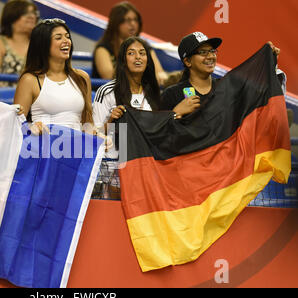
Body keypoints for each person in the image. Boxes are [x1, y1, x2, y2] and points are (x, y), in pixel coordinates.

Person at [93, 37, 198, 199]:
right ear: (122, 60)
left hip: (147, 172)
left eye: (142, 53)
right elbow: (93, 134)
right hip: (113, 172)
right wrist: (110, 121)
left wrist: (176, 114)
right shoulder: (106, 91)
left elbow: (159, 132)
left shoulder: (153, 93)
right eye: (131, 53)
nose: (138, 57)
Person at [160, 32, 281, 118]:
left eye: (212, 51)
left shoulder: (227, 87)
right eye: (203, 52)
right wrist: (176, 113)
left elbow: (259, 101)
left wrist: (270, 64)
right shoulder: (172, 94)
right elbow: (158, 134)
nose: (211, 56)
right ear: (187, 61)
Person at [13, 18, 94, 134]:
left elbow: (88, 124)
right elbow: (16, 125)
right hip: (42, 148)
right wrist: (31, 128)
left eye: (67, 36)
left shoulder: (82, 77)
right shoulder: (29, 80)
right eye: (58, 38)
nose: (66, 41)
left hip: (77, 148)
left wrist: (97, 137)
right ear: (43, 44)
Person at [91, 2, 172, 87]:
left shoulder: (144, 46)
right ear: (116, 23)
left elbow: (159, 73)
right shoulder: (103, 49)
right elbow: (110, 78)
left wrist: (162, 77)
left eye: (135, 20)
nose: (133, 24)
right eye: (128, 20)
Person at [0, 0, 39, 87]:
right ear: (11, 16)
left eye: (34, 13)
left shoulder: (39, 47)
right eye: (25, 13)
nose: (32, 16)